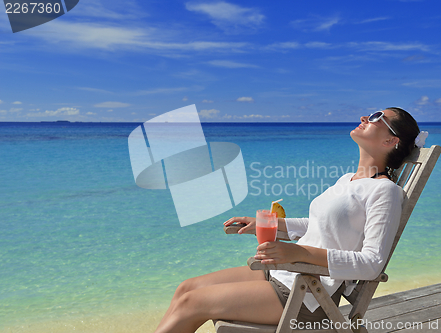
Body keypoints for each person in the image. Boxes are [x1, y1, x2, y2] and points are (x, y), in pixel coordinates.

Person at [154, 107, 422, 333]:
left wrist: (298, 251)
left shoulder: (384, 191)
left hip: (308, 296)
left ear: (391, 141)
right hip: (285, 274)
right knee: (186, 288)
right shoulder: (348, 180)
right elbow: (318, 226)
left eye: (377, 117)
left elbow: (372, 264)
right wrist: (270, 226)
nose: (366, 118)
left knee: (193, 303)